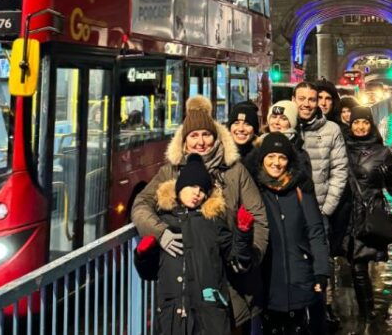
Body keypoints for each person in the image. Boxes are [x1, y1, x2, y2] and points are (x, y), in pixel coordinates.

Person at [132, 96, 269, 329]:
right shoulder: (170, 172)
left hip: (232, 286)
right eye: (193, 136)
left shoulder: (235, 172)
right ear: (184, 143)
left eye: (206, 134)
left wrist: (247, 259)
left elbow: (259, 218)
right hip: (187, 291)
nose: (201, 142)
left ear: (216, 137)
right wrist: (161, 233)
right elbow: (141, 205)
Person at [134, 154, 255, 334]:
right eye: (192, 186)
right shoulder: (164, 223)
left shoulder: (214, 222)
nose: (197, 192)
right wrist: (143, 255)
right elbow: (149, 273)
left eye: (202, 189)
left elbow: (236, 260)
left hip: (209, 317)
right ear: (180, 187)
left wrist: (243, 234)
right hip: (173, 317)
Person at [254, 133, 330, 335]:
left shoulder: (301, 188)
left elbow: (315, 230)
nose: (276, 163)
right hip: (268, 280)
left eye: (282, 157)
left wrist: (321, 271)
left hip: (300, 278)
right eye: (271, 156)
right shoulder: (255, 190)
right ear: (262, 159)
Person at [293, 82, 348, 332]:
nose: (306, 104)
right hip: (288, 211)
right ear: (294, 99)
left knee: (320, 265)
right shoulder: (285, 126)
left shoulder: (332, 130)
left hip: (318, 210)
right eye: (301, 98)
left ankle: (321, 311)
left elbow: (339, 170)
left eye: (311, 99)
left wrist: (326, 207)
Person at [342, 106, 392, 322]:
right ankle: (366, 313)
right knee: (355, 265)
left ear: (371, 125)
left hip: (369, 213)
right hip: (347, 213)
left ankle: (367, 314)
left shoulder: (382, 152)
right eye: (356, 122)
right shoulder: (342, 147)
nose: (360, 127)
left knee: (359, 265)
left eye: (365, 122)